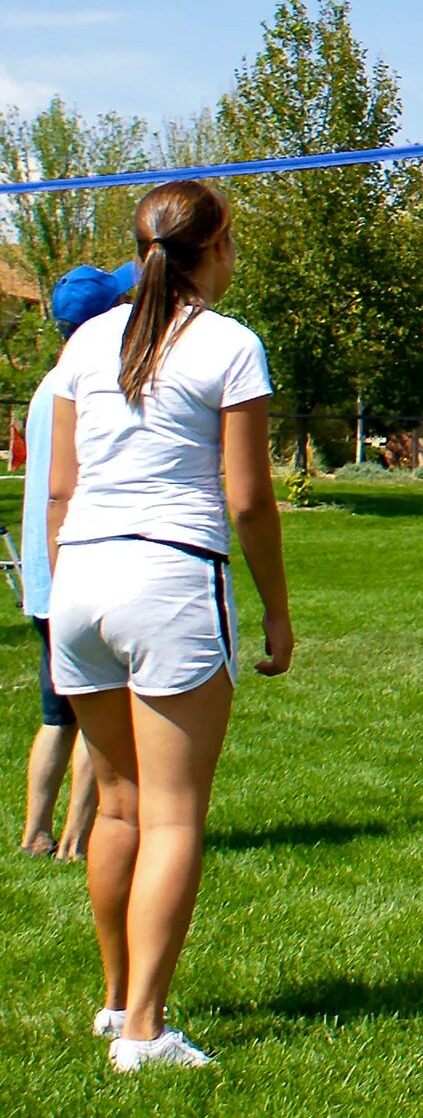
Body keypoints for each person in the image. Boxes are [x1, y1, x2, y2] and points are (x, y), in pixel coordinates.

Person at [47, 179, 293, 1071]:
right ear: (216, 247)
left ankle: (116, 1003)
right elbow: (249, 498)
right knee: (175, 814)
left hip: (79, 577)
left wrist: (59, 589)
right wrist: (276, 607)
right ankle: (147, 1030)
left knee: (118, 805)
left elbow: (62, 488)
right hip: (170, 576)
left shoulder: (83, 343)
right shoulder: (228, 344)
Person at [17, 263, 135, 860]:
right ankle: (77, 840)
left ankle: (34, 832)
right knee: (101, 712)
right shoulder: (90, 384)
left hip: (43, 578)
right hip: (80, 566)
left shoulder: (45, 389)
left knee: (56, 714)